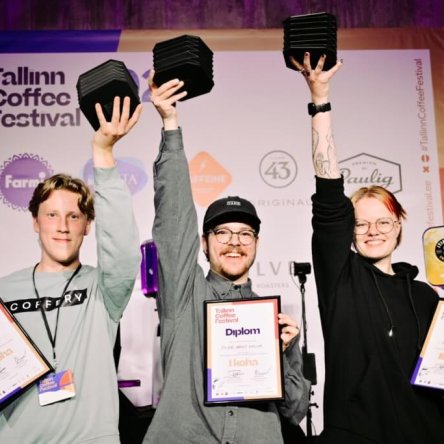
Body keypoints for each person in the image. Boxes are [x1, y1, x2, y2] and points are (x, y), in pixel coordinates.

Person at [142, 73, 310, 444]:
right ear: (204, 243)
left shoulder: (271, 320)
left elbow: (296, 411)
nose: (234, 242)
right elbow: (174, 219)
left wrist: (283, 352)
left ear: (256, 243)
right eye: (222, 233)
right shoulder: (184, 297)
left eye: (245, 233)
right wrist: (171, 126)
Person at [292, 52, 444, 443]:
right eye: (361, 224)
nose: (373, 231)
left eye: (384, 222)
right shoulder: (342, 279)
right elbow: (329, 194)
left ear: (399, 227)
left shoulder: (426, 296)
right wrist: (320, 101)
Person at [0, 96, 142, 443]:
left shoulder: (104, 288)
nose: (62, 226)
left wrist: (103, 154)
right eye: (52, 215)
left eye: (74, 216)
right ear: (35, 222)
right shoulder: (4, 291)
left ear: (88, 225)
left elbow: (121, 244)